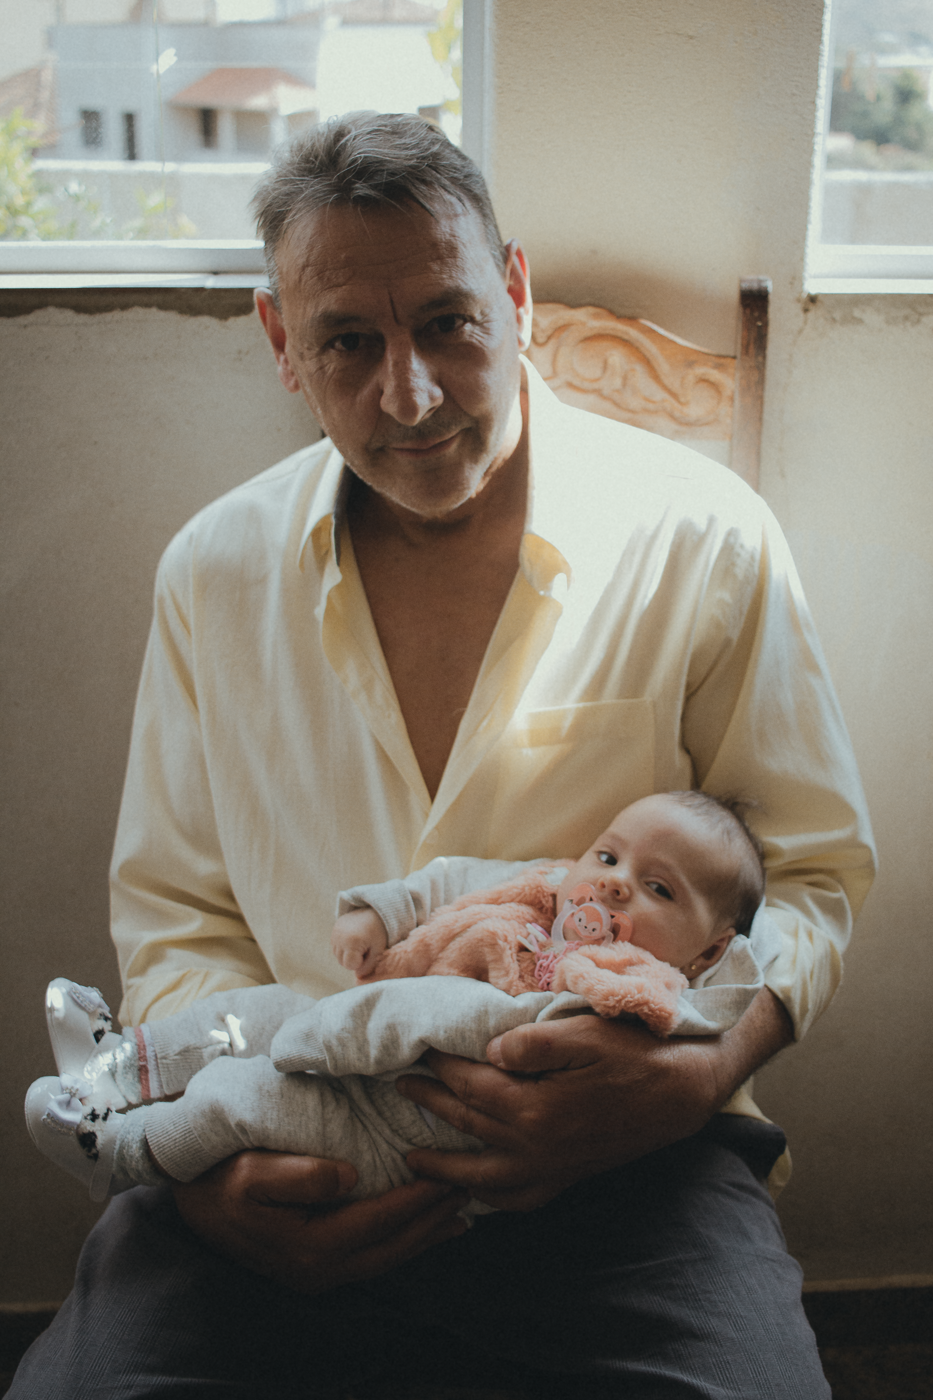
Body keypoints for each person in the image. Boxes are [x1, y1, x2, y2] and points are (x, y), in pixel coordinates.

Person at [10, 112, 875, 1398]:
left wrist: (698, 1071)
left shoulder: (705, 540)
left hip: (624, 1167)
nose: (406, 394)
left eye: (449, 324)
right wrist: (217, 1175)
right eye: (348, 341)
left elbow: (810, 872)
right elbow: (181, 916)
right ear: (280, 345)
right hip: (282, 1151)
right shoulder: (214, 571)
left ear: (514, 292)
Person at [26, 793, 780, 1205]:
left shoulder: (624, 995)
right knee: (251, 1011)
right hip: (352, 1035)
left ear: (708, 949)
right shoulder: (549, 891)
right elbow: (453, 877)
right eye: (609, 855)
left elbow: (461, 1020)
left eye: (657, 888)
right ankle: (120, 1065)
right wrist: (380, 913)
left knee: (240, 1097)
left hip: (399, 1125)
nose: (613, 881)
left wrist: (329, 1034)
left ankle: (115, 1153)